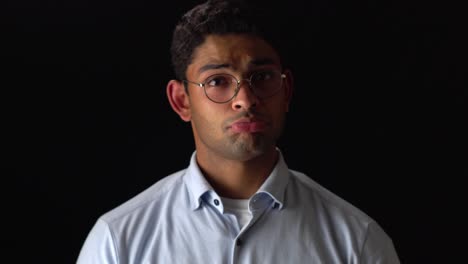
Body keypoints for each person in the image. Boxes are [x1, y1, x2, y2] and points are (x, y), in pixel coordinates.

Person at [77, 0, 400, 263]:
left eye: (261, 77)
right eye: (217, 81)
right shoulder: (118, 241)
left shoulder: (357, 242)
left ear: (286, 92)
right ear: (181, 101)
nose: (245, 100)